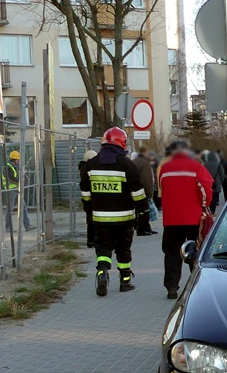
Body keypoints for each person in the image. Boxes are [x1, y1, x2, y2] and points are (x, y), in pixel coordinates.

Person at [79, 127, 148, 296]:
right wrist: (143, 211)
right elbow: (137, 192)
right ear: (121, 143)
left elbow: (85, 193)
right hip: (125, 219)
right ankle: (125, 281)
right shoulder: (127, 165)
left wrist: (89, 211)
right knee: (123, 248)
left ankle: (102, 272)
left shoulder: (91, 165)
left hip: (101, 219)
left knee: (103, 247)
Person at [159, 140, 213, 299]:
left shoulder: (165, 168)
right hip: (193, 218)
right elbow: (206, 187)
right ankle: (195, 284)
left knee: (171, 253)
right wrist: (205, 205)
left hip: (170, 219)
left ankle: (171, 286)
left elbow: (162, 188)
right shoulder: (196, 167)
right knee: (195, 251)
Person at [2, 150, 35, 232]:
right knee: (10, 208)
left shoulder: (14, 167)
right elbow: (10, 178)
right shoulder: (7, 167)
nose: (19, 161)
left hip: (17, 189)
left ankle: (27, 225)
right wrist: (20, 181)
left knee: (23, 207)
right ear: (15, 160)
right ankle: (8, 227)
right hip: (11, 190)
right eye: (18, 160)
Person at [133, 147, 157, 236]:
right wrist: (150, 194)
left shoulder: (135, 161)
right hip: (142, 190)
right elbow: (147, 179)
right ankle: (142, 229)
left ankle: (147, 228)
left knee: (140, 211)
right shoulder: (145, 163)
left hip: (134, 189)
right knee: (145, 211)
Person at [78, 149, 97, 247]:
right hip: (92, 198)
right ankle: (92, 240)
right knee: (93, 221)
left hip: (87, 199)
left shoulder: (83, 168)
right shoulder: (88, 169)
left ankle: (91, 241)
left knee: (90, 221)